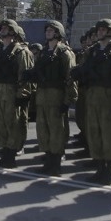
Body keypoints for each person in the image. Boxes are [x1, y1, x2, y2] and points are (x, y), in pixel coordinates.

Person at [71, 18, 111, 186]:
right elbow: (84, 69)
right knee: (94, 133)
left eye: (104, 30)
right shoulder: (92, 52)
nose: (100, 33)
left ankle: (108, 171)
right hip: (92, 96)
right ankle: (99, 167)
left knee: (108, 135)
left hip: (109, 96)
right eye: (99, 30)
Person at [0, 19, 34, 169]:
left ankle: (11, 154)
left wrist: (22, 95)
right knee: (0, 123)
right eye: (2, 28)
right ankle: (4, 152)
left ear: (13, 32)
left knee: (13, 124)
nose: (2, 30)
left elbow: (23, 75)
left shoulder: (21, 52)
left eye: (6, 28)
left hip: (12, 91)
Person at [29, 20, 76, 176]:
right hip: (42, 95)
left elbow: (70, 77)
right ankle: (48, 159)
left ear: (58, 33)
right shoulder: (43, 52)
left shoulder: (64, 53)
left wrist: (68, 100)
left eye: (51, 30)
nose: (48, 32)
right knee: (43, 129)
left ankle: (55, 163)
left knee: (57, 130)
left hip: (56, 95)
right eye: (47, 30)